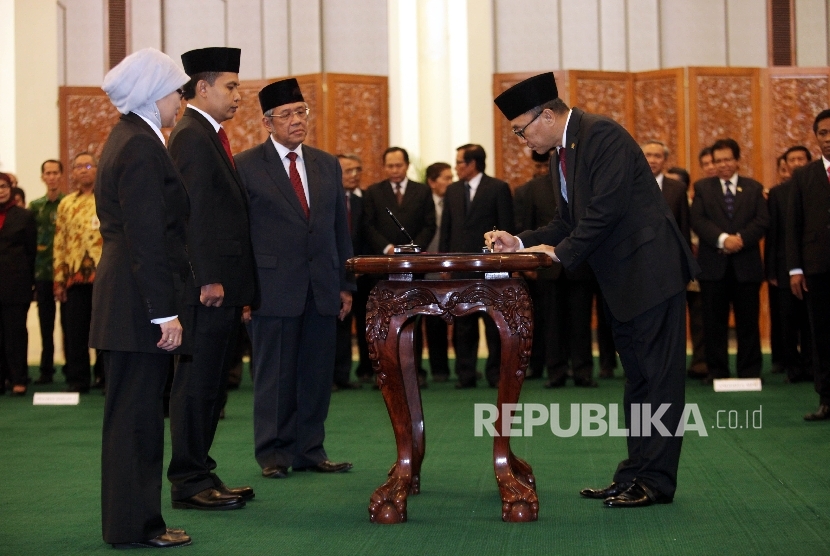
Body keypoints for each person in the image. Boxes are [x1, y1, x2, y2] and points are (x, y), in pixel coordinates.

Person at [487, 72, 698, 508]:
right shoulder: (561, 153)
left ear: (546, 115)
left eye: (521, 130)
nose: (522, 140)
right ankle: (636, 472)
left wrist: (559, 254)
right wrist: (522, 241)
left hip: (650, 272)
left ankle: (656, 481)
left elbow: (606, 211)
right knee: (638, 380)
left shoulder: (601, 134)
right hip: (622, 278)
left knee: (658, 381)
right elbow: (569, 221)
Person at [91, 47, 193, 548]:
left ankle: (132, 523)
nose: (180, 99)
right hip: (137, 305)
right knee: (136, 423)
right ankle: (135, 527)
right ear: (155, 94)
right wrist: (166, 314)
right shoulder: (138, 145)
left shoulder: (132, 138)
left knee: (134, 419)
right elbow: (146, 237)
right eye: (176, 90)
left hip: (128, 301)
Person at [235, 78, 354, 479]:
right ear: (268, 123)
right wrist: (245, 291)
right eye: (286, 115)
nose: (296, 121)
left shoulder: (325, 163)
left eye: (301, 112)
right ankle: (273, 454)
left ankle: (310, 450)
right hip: (271, 288)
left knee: (316, 374)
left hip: (321, 286)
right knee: (275, 376)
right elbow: (240, 233)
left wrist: (344, 284)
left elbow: (340, 228)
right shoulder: (247, 165)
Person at [164, 47, 257, 511]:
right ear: (202, 88)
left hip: (223, 284)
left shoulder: (209, 134)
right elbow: (193, 215)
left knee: (214, 383)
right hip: (208, 287)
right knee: (198, 383)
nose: (239, 95)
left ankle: (202, 470)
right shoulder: (191, 136)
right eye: (232, 86)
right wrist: (209, 277)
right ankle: (188, 481)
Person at [513, 150, 597, 388]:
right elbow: (528, 226)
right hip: (547, 269)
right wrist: (528, 261)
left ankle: (582, 371)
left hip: (579, 265)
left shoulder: (581, 184)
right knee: (551, 323)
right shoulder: (531, 189)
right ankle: (556, 371)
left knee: (581, 322)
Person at [691, 138, 768, 384]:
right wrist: (723, 239)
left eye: (727, 159)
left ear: (737, 160)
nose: (722, 164)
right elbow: (698, 221)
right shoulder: (703, 187)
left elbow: (762, 221)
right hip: (714, 268)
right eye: (718, 160)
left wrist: (740, 239)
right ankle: (717, 371)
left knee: (748, 323)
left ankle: (750, 372)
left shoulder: (754, 188)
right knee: (714, 323)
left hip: (747, 267)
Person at [440, 144, 514, 389]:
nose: (456, 166)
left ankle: (495, 374)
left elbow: (507, 226)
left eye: (459, 162)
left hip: (490, 268)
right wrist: (444, 261)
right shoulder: (452, 191)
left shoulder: (498, 188)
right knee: (463, 324)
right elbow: (447, 230)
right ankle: (466, 374)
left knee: (493, 323)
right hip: (461, 267)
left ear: (472, 163)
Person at [788, 109, 830, 421]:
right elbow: (794, 225)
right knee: (822, 335)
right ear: (816, 137)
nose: (828, 139)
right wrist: (795, 269)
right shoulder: (804, 176)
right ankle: (827, 399)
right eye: (823, 133)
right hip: (817, 269)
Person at [53, 152, 104, 393]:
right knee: (75, 331)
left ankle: (105, 377)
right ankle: (78, 379)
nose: (83, 170)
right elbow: (60, 242)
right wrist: (59, 279)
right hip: (74, 278)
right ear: (72, 173)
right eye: (78, 167)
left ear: (96, 168)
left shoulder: (106, 197)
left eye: (87, 165)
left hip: (103, 277)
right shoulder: (66, 204)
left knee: (105, 329)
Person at [767, 146, 813, 384]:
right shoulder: (777, 193)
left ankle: (811, 366)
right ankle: (792, 368)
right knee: (787, 321)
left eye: (801, 159)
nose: (796, 163)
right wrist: (772, 270)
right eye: (792, 159)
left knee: (811, 321)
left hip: (814, 266)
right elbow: (774, 234)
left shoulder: (818, 188)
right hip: (785, 268)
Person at [413, 161, 453, 384]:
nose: (450, 182)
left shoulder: (453, 202)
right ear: (432, 181)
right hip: (424, 267)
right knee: (424, 319)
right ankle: (421, 369)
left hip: (446, 268)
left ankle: (442, 368)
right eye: (446, 178)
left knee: (442, 317)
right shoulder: (423, 202)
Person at [666, 166, 707, 379]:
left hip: (699, 268)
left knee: (699, 317)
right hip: (673, 270)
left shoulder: (694, 203)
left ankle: (700, 362)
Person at [29, 160, 67, 385]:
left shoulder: (69, 203)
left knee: (69, 325)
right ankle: (46, 369)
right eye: (47, 173)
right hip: (42, 273)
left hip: (65, 274)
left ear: (61, 176)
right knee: (45, 323)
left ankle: (72, 366)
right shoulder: (35, 207)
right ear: (42, 177)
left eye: (55, 172)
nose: (51, 177)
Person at [0, 172, 36, 396]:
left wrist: (29, 283)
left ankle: (18, 379)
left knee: (15, 334)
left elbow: (31, 253)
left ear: (11, 188)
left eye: (3, 186)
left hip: (15, 286)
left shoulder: (24, 216)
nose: (0, 190)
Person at [333, 153, 367, 391]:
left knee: (361, 323)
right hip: (334, 272)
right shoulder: (327, 199)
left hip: (362, 273)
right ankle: (330, 376)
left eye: (358, 170)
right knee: (336, 326)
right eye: (349, 170)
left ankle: (345, 375)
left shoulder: (364, 200)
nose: (354, 175)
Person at [363, 147, 436, 255]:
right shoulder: (373, 191)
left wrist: (414, 248)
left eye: (399, 165)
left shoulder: (422, 190)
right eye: (390, 166)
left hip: (414, 258)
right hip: (383, 258)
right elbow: (368, 225)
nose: (394, 170)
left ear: (407, 165)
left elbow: (429, 225)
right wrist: (387, 247)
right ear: (384, 167)